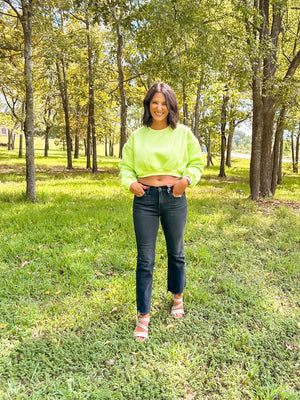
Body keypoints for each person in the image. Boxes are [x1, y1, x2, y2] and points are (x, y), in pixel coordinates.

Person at [119, 82, 204, 341]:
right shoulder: (137, 136)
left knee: (176, 251)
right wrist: (131, 184)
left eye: (164, 103)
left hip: (174, 196)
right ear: (148, 105)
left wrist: (185, 181)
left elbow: (196, 163)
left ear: (171, 106)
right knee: (145, 258)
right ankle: (143, 315)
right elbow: (125, 167)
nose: (159, 107)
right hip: (144, 199)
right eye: (154, 102)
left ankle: (177, 297)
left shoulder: (184, 133)